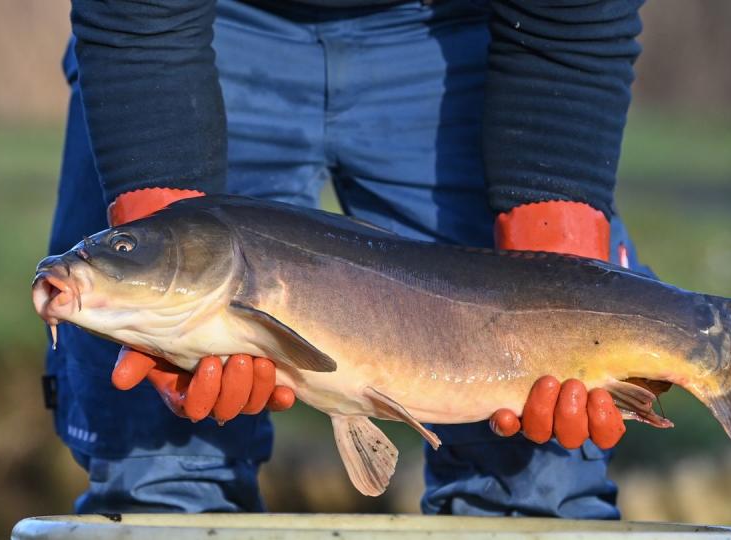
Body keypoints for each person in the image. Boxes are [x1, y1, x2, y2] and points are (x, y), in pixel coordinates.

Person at [45, 0, 652, 518]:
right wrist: (157, 236)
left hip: (477, 28)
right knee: (157, 476)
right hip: (190, 31)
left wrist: (558, 266)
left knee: (538, 487)